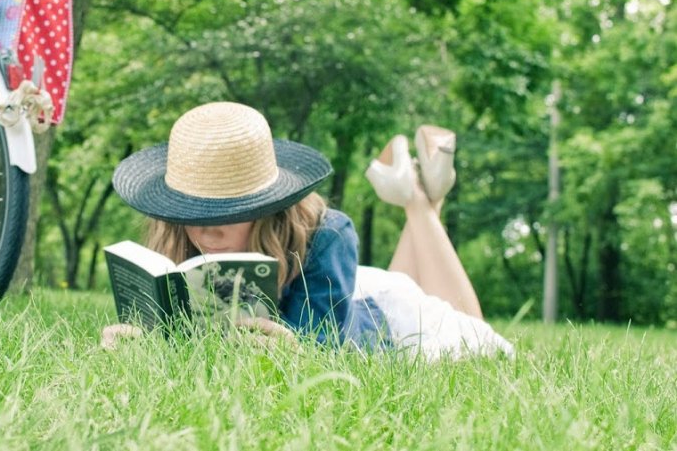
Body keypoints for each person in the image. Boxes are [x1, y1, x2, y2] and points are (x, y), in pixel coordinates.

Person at [104, 101, 513, 360]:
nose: (206, 231)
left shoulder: (325, 235)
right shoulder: (175, 237)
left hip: (387, 321)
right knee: (405, 280)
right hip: (352, 288)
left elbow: (324, 354)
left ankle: (420, 201)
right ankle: (415, 191)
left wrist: (290, 352)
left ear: (265, 206)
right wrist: (138, 344)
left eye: (226, 211)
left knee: (475, 331)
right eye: (193, 211)